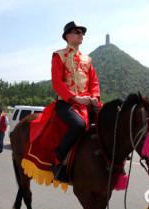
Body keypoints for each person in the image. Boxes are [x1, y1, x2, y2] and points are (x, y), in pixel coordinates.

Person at [50, 21, 100, 182]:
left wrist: (94, 98)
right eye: (77, 31)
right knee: (77, 125)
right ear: (68, 36)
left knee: (109, 119)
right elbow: (57, 83)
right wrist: (76, 98)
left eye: (82, 32)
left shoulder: (87, 59)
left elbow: (94, 82)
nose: (81, 34)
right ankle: (58, 163)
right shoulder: (59, 56)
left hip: (87, 103)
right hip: (66, 103)